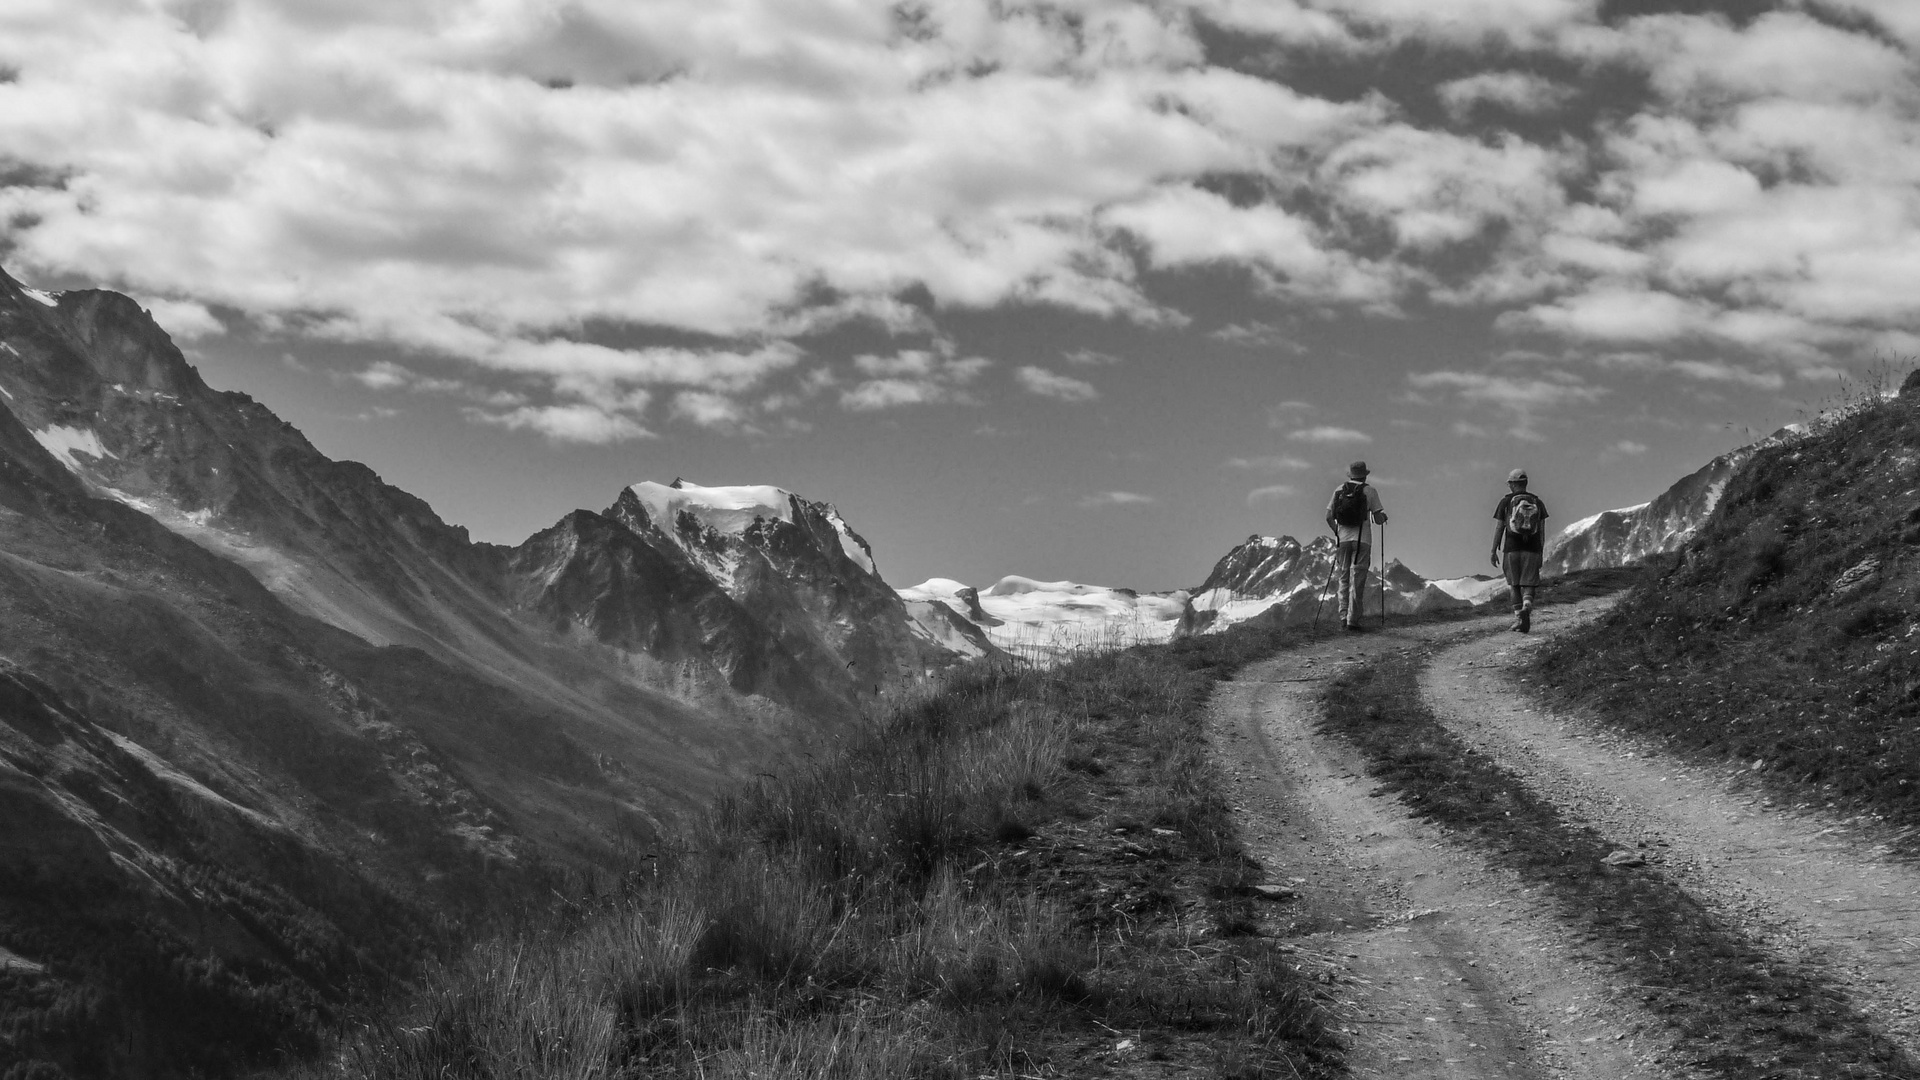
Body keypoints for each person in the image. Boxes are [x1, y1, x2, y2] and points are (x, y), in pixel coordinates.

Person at [1325, 461, 1387, 631]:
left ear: (1351, 475)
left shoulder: (1339, 491)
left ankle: (1343, 616)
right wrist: (1383, 517)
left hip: (1343, 540)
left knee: (1343, 577)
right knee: (1357, 579)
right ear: (1365, 475)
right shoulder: (1370, 491)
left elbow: (1328, 516)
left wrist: (1338, 532)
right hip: (1363, 540)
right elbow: (1378, 517)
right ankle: (1353, 620)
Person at [1491, 468, 1549, 632]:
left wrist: (1493, 549)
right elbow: (1542, 530)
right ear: (1525, 483)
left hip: (1512, 548)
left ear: (1512, 484)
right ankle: (1527, 604)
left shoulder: (1505, 502)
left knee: (1514, 585)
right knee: (1529, 582)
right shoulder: (1538, 502)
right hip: (1532, 549)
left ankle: (1519, 617)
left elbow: (1499, 527)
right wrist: (1540, 551)